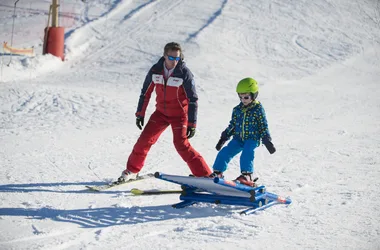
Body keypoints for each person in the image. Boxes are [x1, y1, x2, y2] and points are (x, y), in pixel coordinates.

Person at [118, 42, 212, 182]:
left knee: (181, 145)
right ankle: (132, 170)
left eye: (177, 58)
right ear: (164, 56)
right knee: (144, 141)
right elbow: (145, 93)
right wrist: (140, 114)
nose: (175, 62)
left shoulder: (184, 73)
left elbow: (192, 99)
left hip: (179, 115)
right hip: (161, 113)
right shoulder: (155, 70)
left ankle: (205, 176)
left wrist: (192, 123)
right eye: (171, 58)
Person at [209, 77, 276, 187]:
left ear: (254, 95)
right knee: (225, 153)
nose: (243, 100)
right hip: (238, 138)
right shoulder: (237, 110)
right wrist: (224, 137)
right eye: (240, 97)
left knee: (247, 153)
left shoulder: (258, 109)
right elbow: (233, 125)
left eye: (246, 97)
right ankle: (217, 173)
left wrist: (266, 139)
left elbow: (263, 125)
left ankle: (247, 176)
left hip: (252, 139)